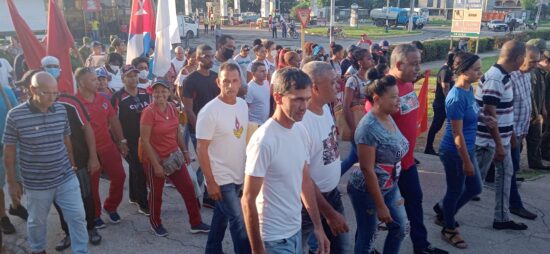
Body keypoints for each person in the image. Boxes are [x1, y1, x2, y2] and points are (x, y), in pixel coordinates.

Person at [365, 44, 448, 254]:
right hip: (386, 167)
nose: (418, 68)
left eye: (419, 63)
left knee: (414, 202)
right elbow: (371, 125)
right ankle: (365, 248)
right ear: (399, 64)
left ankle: (421, 246)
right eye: (415, 64)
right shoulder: (385, 90)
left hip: (408, 163)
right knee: (374, 211)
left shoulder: (408, 83)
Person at [242, 67, 330, 254]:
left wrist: (318, 226)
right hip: (273, 240)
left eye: (307, 99)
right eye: (297, 99)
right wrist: (258, 249)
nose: (304, 106)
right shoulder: (264, 141)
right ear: (278, 97)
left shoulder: (300, 130)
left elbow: (305, 181)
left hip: (295, 232)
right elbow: (248, 199)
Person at [3, 72, 89, 253]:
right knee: (37, 221)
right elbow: (9, 152)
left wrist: (72, 162)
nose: (52, 97)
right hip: (37, 183)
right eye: (46, 93)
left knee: (78, 216)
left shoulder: (60, 110)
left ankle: (81, 250)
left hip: (65, 176)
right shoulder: (15, 116)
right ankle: (38, 249)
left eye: (55, 92)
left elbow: (66, 138)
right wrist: (12, 183)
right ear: (32, 89)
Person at [140, 80, 210, 236]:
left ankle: (196, 222)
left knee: (188, 189)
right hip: (155, 159)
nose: (160, 94)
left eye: (163, 91)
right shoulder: (149, 112)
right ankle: (155, 222)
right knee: (156, 194)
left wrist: (185, 151)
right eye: (156, 91)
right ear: (152, 92)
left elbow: (177, 131)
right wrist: (156, 165)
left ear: (169, 92)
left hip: (173, 156)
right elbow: (144, 140)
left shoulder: (172, 107)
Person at [348, 73, 409, 254]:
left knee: (401, 228)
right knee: (368, 238)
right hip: (367, 192)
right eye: (393, 97)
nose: (398, 100)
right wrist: (380, 205)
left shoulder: (388, 115)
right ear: (377, 99)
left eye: (398, 96)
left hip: (390, 186)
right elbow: (367, 169)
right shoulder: (368, 128)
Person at [196, 62, 251, 253]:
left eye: (235, 81)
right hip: (221, 178)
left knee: (221, 217)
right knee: (239, 220)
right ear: (218, 82)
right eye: (226, 81)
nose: (230, 85)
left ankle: (212, 249)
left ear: (240, 83)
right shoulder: (209, 111)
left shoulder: (243, 105)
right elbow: (201, 148)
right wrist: (210, 182)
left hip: (238, 174)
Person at [432, 52, 484, 249]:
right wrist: (467, 161)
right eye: (476, 69)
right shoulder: (455, 97)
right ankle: (448, 227)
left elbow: (470, 116)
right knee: (456, 189)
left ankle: (444, 210)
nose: (480, 73)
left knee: (474, 188)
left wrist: (483, 118)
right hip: (455, 152)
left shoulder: (469, 89)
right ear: (463, 70)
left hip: (466, 148)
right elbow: (457, 134)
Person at [475, 40, 528, 230]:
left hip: (501, 140)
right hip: (487, 142)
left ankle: (502, 218)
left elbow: (505, 111)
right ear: (519, 58)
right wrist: (498, 144)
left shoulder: (505, 77)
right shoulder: (495, 78)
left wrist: (510, 137)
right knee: (472, 183)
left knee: (506, 175)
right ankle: (444, 209)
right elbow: (490, 113)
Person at [301, 62, 351, 253]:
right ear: (314, 87)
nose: (337, 86)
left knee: (340, 248)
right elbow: (302, 177)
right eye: (332, 83)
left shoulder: (324, 109)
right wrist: (328, 213)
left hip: (332, 194)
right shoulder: (303, 122)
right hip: (310, 204)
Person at [75, 67, 128, 229]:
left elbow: (113, 120)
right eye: (92, 80)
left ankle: (110, 206)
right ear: (81, 83)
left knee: (119, 176)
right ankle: (95, 214)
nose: (97, 82)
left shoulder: (104, 99)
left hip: (107, 146)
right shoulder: (74, 103)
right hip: (87, 152)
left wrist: (121, 140)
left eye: (97, 79)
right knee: (92, 185)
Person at [53, 92, 103, 251]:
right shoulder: (28, 109)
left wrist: (93, 156)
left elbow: (87, 127)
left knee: (85, 195)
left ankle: (90, 227)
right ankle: (67, 232)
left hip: (79, 159)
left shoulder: (69, 101)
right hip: (53, 165)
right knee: (60, 200)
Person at [182, 44, 220, 209]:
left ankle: (204, 194)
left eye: (212, 56)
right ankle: (196, 194)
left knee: (212, 161)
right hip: (198, 129)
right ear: (197, 58)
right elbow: (188, 110)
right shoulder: (190, 80)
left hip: (216, 128)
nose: (210, 59)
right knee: (206, 161)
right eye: (206, 56)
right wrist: (200, 131)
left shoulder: (216, 77)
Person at [111, 65, 151, 216]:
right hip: (128, 141)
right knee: (139, 170)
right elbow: (113, 121)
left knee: (137, 169)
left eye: (135, 75)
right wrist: (120, 142)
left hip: (145, 139)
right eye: (129, 76)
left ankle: (133, 196)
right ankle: (143, 203)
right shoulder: (117, 97)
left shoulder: (145, 92)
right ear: (123, 79)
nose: (133, 78)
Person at [508, 45, 542, 220]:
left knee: (508, 171)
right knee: (510, 171)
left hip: (521, 132)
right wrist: (513, 136)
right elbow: (503, 111)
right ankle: (515, 205)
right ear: (521, 58)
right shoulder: (510, 77)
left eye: (537, 61)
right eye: (532, 61)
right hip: (509, 136)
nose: (535, 64)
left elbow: (528, 99)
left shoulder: (527, 75)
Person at [341, 48, 374, 175]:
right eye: (368, 58)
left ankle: (332, 181)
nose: (371, 60)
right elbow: (346, 106)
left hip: (369, 124)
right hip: (358, 124)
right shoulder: (353, 80)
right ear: (360, 62)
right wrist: (353, 128)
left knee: (354, 158)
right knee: (365, 159)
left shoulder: (371, 79)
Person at [0, 81, 26, 237]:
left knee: (17, 181)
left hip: (12, 145)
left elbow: (18, 115)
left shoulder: (6, 92)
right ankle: (2, 216)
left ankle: (16, 206)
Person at [425, 51, 457, 155]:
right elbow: (445, 86)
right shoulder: (445, 71)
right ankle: (428, 148)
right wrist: (449, 102)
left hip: (442, 103)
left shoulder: (448, 70)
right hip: (441, 104)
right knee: (436, 126)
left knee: (442, 126)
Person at [530, 49, 550, 165]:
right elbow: (536, 94)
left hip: (541, 108)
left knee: (537, 136)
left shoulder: (542, 74)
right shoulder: (537, 73)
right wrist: (541, 109)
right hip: (537, 110)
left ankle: (538, 160)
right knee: (542, 133)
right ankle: (543, 154)